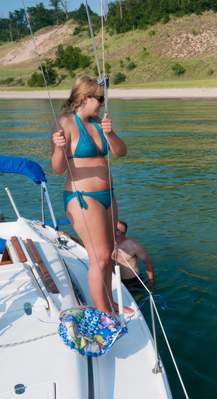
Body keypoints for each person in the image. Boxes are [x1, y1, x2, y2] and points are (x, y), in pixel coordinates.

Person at [50, 75, 128, 315]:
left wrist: (111, 133)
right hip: (82, 197)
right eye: (100, 98)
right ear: (85, 97)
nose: (103, 103)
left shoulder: (98, 122)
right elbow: (57, 168)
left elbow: (121, 152)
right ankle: (104, 314)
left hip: (107, 195)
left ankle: (109, 303)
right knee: (100, 257)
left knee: (109, 254)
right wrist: (60, 148)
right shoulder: (65, 123)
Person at [113, 220, 155, 286]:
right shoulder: (109, 244)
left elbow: (147, 262)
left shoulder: (133, 245)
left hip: (133, 281)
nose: (112, 230)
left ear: (122, 233)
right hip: (116, 280)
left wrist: (150, 281)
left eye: (116, 229)